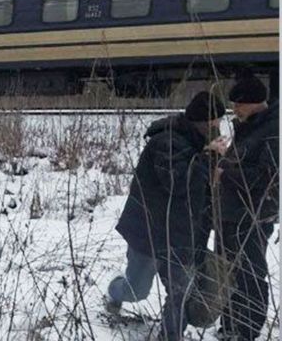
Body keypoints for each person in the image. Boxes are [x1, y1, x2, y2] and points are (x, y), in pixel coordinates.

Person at [107, 91, 228, 340]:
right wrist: (209, 159)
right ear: (201, 123)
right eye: (213, 124)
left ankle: (171, 336)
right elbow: (178, 183)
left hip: (182, 237)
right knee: (136, 290)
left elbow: (201, 192)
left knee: (179, 293)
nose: (217, 129)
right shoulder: (166, 142)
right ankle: (115, 292)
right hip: (149, 233)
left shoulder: (200, 144)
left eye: (218, 123)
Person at [216, 71, 278, 341]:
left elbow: (268, 178)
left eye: (238, 104)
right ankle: (229, 326)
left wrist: (225, 172)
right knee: (228, 271)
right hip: (231, 213)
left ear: (254, 102)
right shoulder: (251, 126)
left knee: (250, 274)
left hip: (251, 215)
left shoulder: (274, 130)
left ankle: (246, 331)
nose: (234, 109)